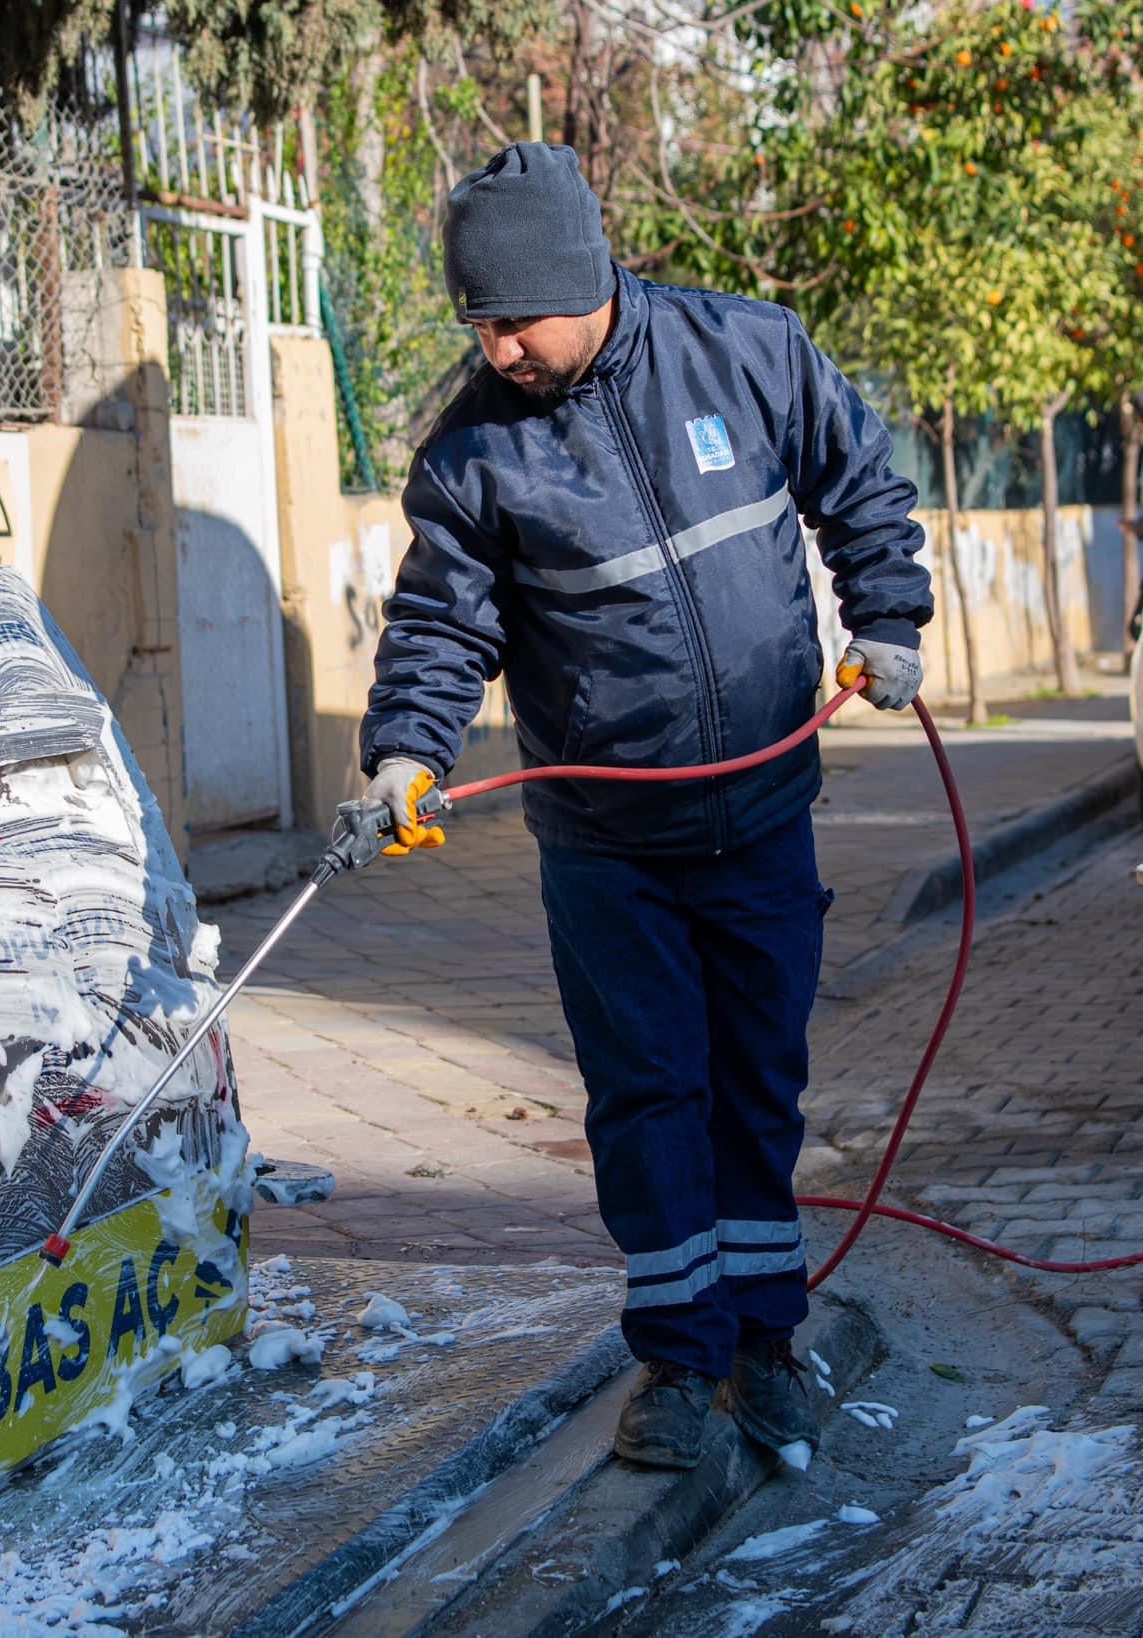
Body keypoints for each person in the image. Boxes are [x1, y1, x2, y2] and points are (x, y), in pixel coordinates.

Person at [359, 144, 931, 1469]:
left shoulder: (749, 352)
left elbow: (859, 483)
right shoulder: (471, 456)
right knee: (645, 1093)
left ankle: (768, 1340)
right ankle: (679, 1359)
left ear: (586, 278)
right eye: (478, 322)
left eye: (516, 318)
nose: (497, 346)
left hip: (763, 815)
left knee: (756, 1082)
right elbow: (443, 624)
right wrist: (406, 752)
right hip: (607, 851)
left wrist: (888, 616)